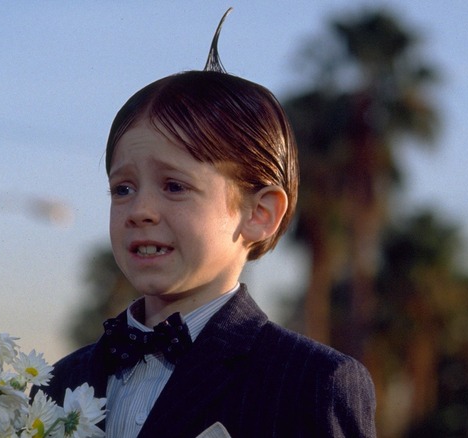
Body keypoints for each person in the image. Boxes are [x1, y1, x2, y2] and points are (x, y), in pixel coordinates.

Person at [40, 10, 376, 437]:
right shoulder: (58, 384)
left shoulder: (311, 382)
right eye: (123, 188)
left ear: (259, 214)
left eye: (174, 186)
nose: (140, 209)